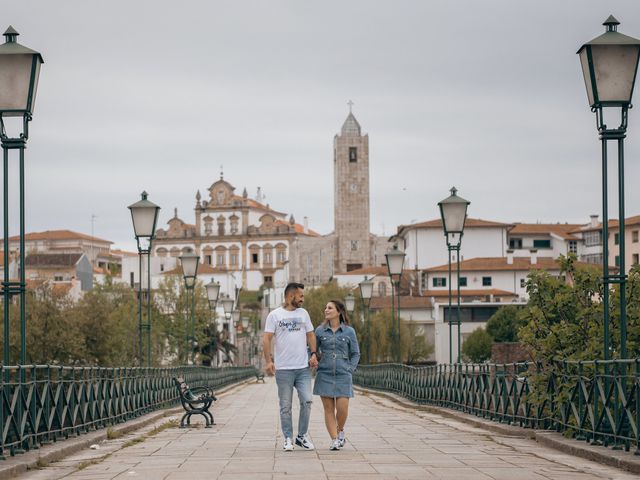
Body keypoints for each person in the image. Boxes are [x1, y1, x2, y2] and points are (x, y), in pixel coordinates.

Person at [263, 282, 318, 451]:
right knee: (285, 406)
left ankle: (301, 436)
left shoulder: (304, 314)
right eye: (300, 296)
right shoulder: (274, 315)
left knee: (307, 400)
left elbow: (310, 334)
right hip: (284, 369)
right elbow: (266, 339)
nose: (302, 299)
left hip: (302, 368)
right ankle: (287, 437)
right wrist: (269, 361)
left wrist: (314, 354)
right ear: (290, 296)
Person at [313, 299, 360, 450]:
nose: (326, 310)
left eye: (330, 308)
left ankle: (340, 430)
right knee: (328, 409)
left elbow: (355, 353)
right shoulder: (319, 331)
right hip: (324, 372)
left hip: (343, 373)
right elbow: (312, 349)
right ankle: (334, 440)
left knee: (342, 408)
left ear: (339, 312)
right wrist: (313, 357)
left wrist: (350, 369)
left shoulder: (349, 331)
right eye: (325, 308)